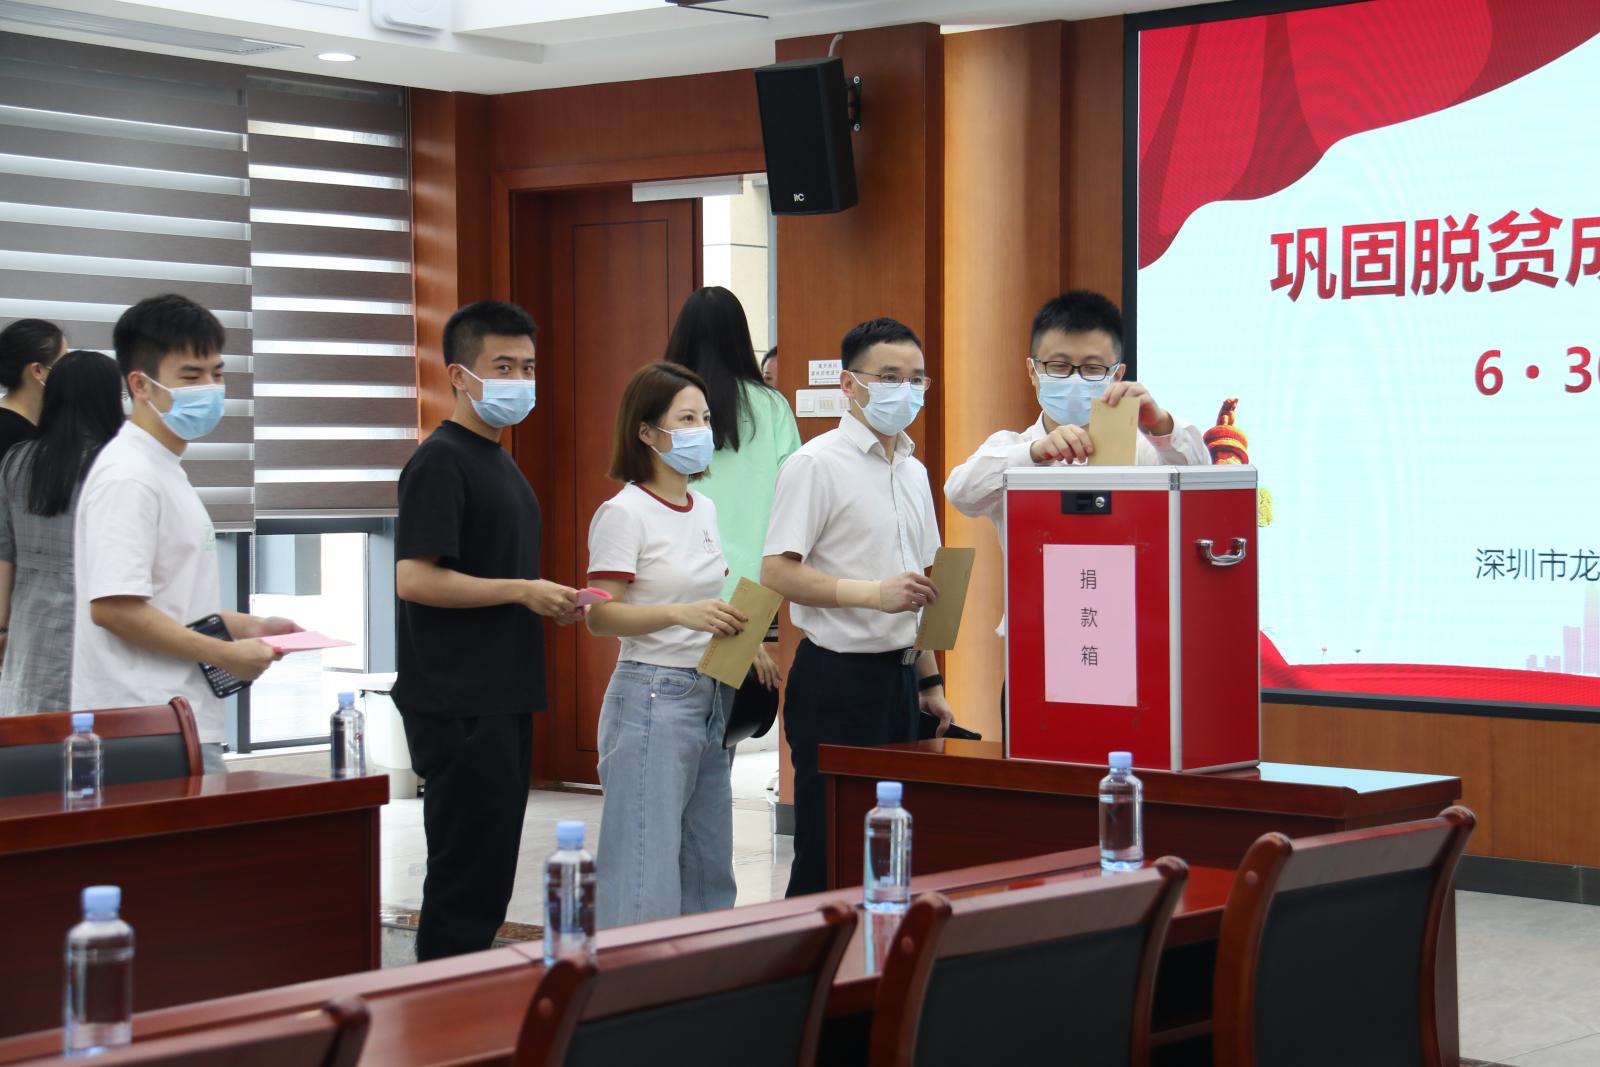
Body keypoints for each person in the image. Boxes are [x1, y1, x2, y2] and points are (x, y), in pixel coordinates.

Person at [392, 299, 581, 961]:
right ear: (458, 375)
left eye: (527, 367)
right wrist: (523, 589)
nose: (520, 380)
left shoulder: (499, 461)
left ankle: (467, 996)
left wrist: (541, 598)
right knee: (465, 880)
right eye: (503, 366)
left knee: (489, 872)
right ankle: (440, 1002)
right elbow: (415, 578)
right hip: (459, 702)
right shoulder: (440, 461)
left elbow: (492, 576)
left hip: (501, 694)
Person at [761, 317, 951, 898]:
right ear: (849, 384)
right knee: (829, 849)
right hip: (836, 681)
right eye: (889, 377)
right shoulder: (815, 464)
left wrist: (930, 682)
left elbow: (922, 585)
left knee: (893, 850)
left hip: (901, 682)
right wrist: (872, 594)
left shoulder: (914, 471)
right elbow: (777, 572)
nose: (905, 390)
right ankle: (809, 953)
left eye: (916, 379)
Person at [72, 295, 299, 771]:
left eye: (217, 374)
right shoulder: (129, 476)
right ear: (140, 385)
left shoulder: (162, 467)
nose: (210, 389)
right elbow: (114, 608)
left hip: (173, 719)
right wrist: (225, 654)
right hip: (142, 722)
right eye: (192, 377)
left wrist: (250, 627)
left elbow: (168, 601)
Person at [945, 290, 1209, 656]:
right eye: (1058, 366)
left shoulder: (1143, 450)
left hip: (1129, 645)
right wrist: (1036, 453)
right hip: (1035, 647)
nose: (1074, 379)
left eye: (1092, 369)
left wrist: (1161, 424)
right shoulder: (1014, 448)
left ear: (1117, 374)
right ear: (1033, 372)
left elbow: (1200, 495)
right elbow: (960, 492)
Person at [585, 361, 746, 928]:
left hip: (712, 690)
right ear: (647, 432)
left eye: (705, 417)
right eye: (686, 419)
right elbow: (599, 615)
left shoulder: (705, 508)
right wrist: (680, 614)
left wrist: (743, 639)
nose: (702, 430)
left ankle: (700, 970)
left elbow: (706, 598)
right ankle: (632, 975)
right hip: (652, 694)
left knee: (708, 862)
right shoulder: (624, 512)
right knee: (642, 866)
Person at [0, 351, 123, 714]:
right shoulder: (113, 464)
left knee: (33, 735)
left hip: (30, 631)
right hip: (99, 630)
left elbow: (4, 551)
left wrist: (2, 627)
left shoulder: (16, 460)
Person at [663, 287, 800, 609]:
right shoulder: (771, 405)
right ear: (741, 338)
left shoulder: (661, 402)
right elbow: (796, 489)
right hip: (755, 586)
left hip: (674, 581)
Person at [0, 319, 66, 464]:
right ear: (37, 370)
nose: (69, 370)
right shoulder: (10, 434)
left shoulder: (46, 425)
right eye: (63, 363)